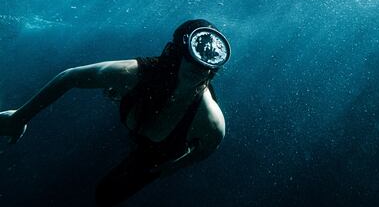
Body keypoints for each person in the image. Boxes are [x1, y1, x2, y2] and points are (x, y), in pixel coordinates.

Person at [0, 19, 231, 206]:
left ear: (215, 67)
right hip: (138, 115)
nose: (198, 67)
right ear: (178, 53)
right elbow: (70, 76)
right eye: (194, 54)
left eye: (208, 61)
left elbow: (207, 148)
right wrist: (20, 117)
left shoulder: (209, 120)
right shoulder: (134, 73)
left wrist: (173, 166)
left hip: (159, 152)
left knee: (106, 195)